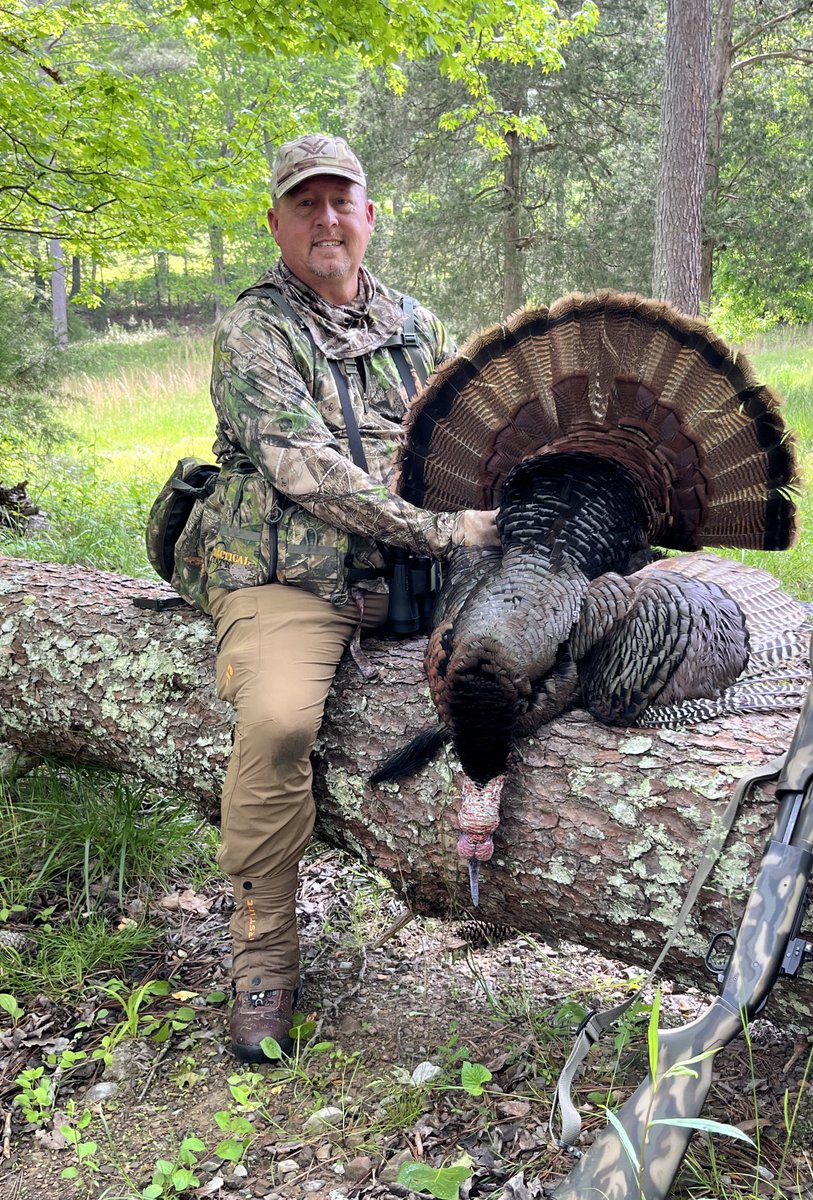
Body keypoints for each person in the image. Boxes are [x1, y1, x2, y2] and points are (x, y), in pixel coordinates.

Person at [200, 133, 498, 1062]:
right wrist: (447, 533)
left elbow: (475, 443)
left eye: (341, 202)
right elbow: (306, 469)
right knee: (279, 723)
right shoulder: (255, 331)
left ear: (369, 215)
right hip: (295, 578)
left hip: (420, 577)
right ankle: (263, 956)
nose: (326, 219)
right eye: (306, 204)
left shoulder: (419, 326)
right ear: (277, 223)